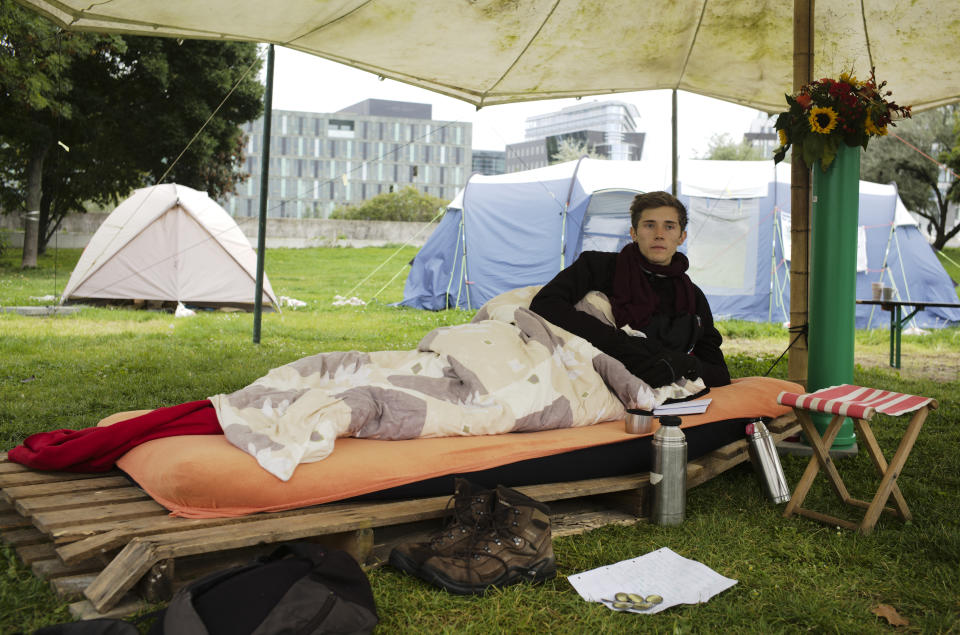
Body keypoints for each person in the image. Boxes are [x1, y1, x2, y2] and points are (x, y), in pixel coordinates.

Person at [529, 191, 730, 389]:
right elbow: (546, 303)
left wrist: (684, 364)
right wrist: (622, 345)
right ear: (634, 233)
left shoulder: (693, 296)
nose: (659, 235)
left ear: (681, 237)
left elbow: (720, 373)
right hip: (586, 376)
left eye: (669, 226)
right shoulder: (597, 267)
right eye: (649, 225)